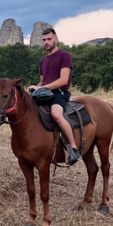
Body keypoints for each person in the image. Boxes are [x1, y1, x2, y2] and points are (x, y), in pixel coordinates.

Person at [28, 28, 81, 165]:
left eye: (49, 39)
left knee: (56, 115)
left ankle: (73, 148)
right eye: (44, 40)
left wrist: (41, 88)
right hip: (44, 93)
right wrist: (35, 89)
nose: (46, 42)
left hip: (59, 93)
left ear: (56, 39)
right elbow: (42, 81)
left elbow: (63, 80)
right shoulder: (42, 61)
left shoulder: (65, 55)